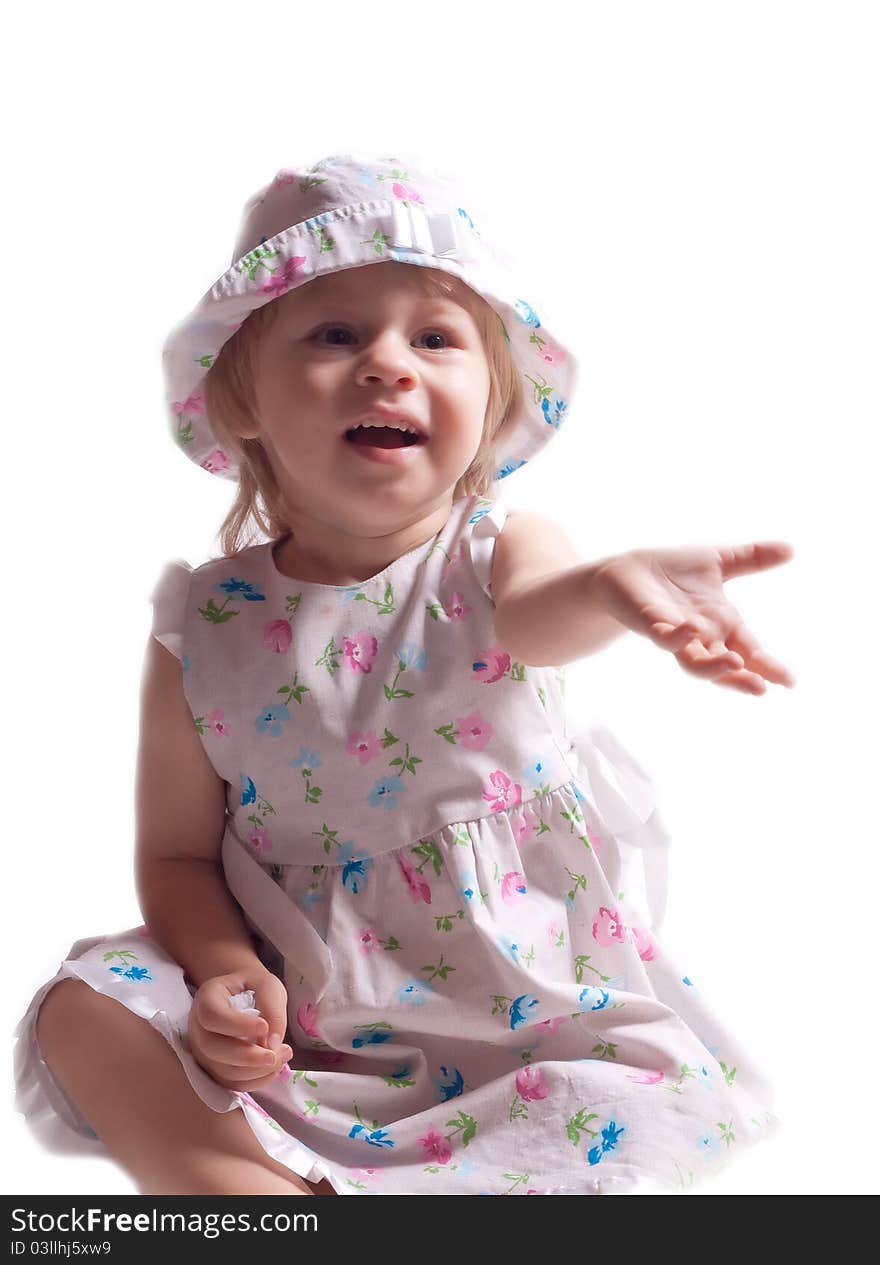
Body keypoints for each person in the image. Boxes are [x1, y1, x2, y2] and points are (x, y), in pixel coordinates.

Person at [13, 152, 795, 1197]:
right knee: (85, 1005)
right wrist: (223, 970)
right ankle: (243, 1192)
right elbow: (175, 853)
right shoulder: (204, 624)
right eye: (335, 333)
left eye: (434, 337)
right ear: (240, 398)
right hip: (302, 1015)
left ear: (492, 397)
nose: (389, 363)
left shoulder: (496, 555)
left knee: (608, 1103)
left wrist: (613, 584)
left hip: (516, 1007)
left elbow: (542, 617)